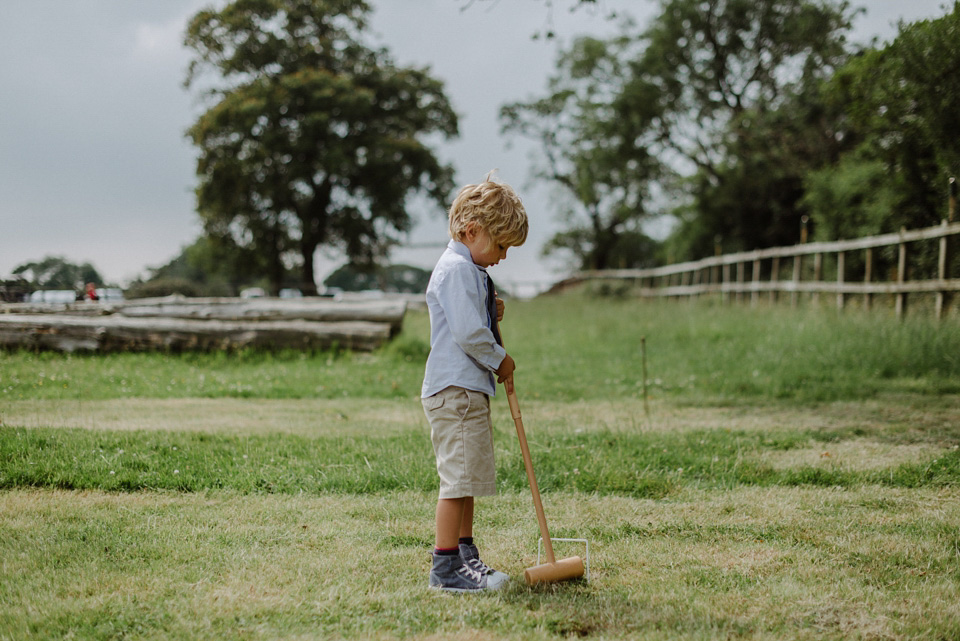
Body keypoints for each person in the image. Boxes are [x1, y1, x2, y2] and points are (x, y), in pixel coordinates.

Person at [421, 171, 529, 592]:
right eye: (501, 245)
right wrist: (500, 359)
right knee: (457, 481)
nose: (503, 256)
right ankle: (445, 566)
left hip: (464, 391)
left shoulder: (468, 271)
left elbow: (467, 315)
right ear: (472, 231)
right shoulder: (458, 271)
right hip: (457, 392)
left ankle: (465, 555)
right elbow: (468, 334)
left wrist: (490, 306)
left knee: (466, 479)